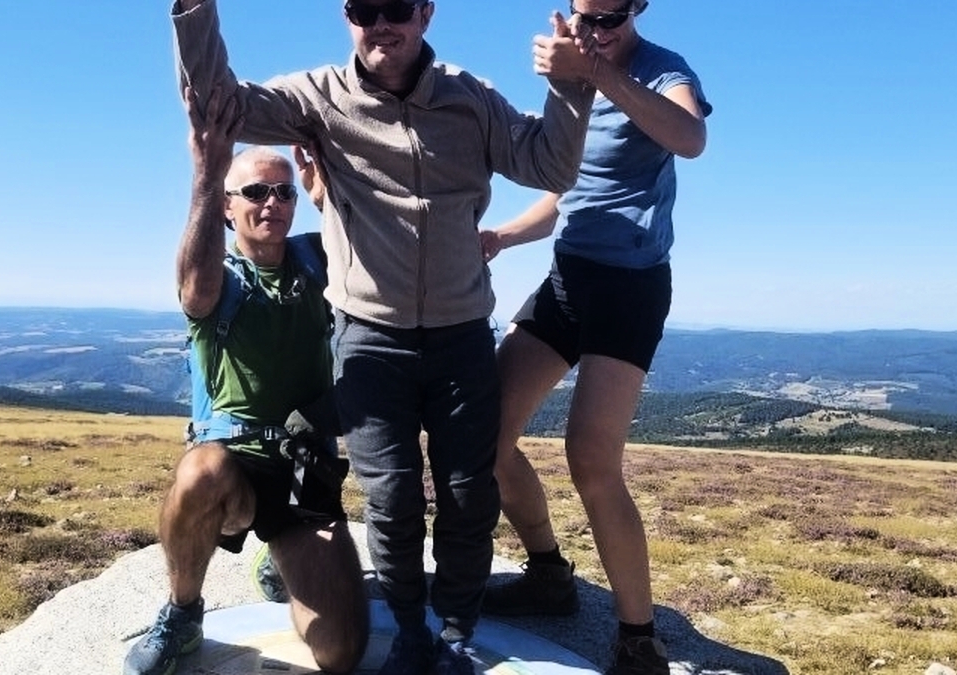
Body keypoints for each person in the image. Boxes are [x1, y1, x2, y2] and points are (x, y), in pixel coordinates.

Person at [169, 2, 595, 673]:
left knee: (466, 492)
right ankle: (413, 633)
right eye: (366, 9)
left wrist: (572, 85)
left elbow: (549, 166)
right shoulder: (319, 99)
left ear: (426, 13)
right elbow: (217, 102)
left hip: (460, 338)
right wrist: (194, 13)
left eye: (397, 6)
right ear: (347, 15)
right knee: (392, 499)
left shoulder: (469, 100)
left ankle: (454, 634)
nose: (381, 23)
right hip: (371, 341)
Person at [477, 2, 712, 674]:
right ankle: (549, 573)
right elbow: (567, 191)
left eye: (608, 17)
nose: (594, 30)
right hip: (569, 276)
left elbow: (689, 137)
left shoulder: (662, 70)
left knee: (590, 456)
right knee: (484, 430)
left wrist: (597, 71)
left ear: (637, 8)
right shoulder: (578, 76)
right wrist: (502, 235)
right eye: (583, 17)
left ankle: (639, 639)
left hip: (631, 283)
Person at [123, 86, 369, 675]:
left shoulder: (316, 260)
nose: (272, 203)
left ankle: (279, 560)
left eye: (283, 192)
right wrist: (208, 171)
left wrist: (329, 198)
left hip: (303, 471)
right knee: (200, 471)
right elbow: (193, 290)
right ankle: (183, 614)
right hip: (231, 468)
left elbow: (373, 255)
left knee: (340, 652)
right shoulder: (220, 277)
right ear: (229, 207)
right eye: (254, 192)